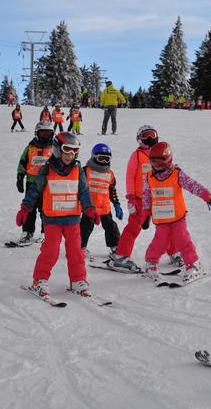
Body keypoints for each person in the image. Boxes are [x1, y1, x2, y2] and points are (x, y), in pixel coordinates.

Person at [16, 132, 101, 298]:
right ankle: (39, 280)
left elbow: (83, 191)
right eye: (66, 150)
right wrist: (25, 208)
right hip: (52, 219)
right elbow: (34, 190)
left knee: (76, 251)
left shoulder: (78, 170)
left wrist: (90, 208)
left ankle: (78, 280)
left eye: (73, 152)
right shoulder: (46, 169)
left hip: (72, 220)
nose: (70, 155)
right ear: (56, 149)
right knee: (51, 251)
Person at [141, 142, 211, 282]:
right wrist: (145, 214)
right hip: (161, 219)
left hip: (177, 217)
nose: (155, 165)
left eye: (159, 162)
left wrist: (206, 195)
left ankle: (193, 264)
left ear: (167, 160)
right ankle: (151, 264)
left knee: (183, 240)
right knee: (159, 242)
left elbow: (192, 185)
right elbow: (146, 196)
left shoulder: (177, 174)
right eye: (153, 162)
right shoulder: (149, 177)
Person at [110, 125, 182, 272]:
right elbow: (130, 176)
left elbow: (169, 171)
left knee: (166, 226)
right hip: (140, 199)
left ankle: (174, 252)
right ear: (139, 140)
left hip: (159, 199)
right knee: (134, 227)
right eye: (145, 136)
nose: (149, 139)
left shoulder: (161, 153)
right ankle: (121, 256)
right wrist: (131, 198)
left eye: (152, 135)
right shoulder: (136, 155)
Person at [80, 143, 124, 259]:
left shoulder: (110, 174)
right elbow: (79, 189)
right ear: (94, 157)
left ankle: (115, 247)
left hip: (104, 208)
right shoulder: (85, 171)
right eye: (101, 158)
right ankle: (80, 247)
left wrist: (117, 205)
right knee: (85, 227)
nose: (104, 162)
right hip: (89, 207)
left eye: (107, 159)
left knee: (111, 227)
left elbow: (112, 190)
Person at [15, 122, 54, 244]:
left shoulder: (54, 148)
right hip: (32, 182)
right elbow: (23, 162)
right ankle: (27, 232)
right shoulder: (30, 147)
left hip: (48, 184)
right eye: (43, 134)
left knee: (46, 209)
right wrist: (20, 177)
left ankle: (46, 232)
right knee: (29, 208)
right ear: (37, 134)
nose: (46, 137)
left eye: (48, 134)